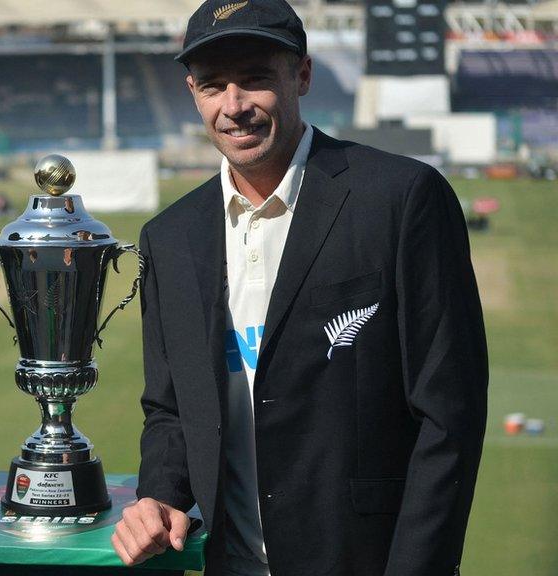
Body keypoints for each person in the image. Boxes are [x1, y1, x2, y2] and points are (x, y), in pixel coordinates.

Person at [111, 1, 488, 575]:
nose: (234, 106)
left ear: (302, 75)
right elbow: (169, 408)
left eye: (256, 79)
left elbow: (449, 415)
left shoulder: (402, 199)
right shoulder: (169, 236)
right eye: (213, 86)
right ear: (193, 93)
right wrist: (161, 493)